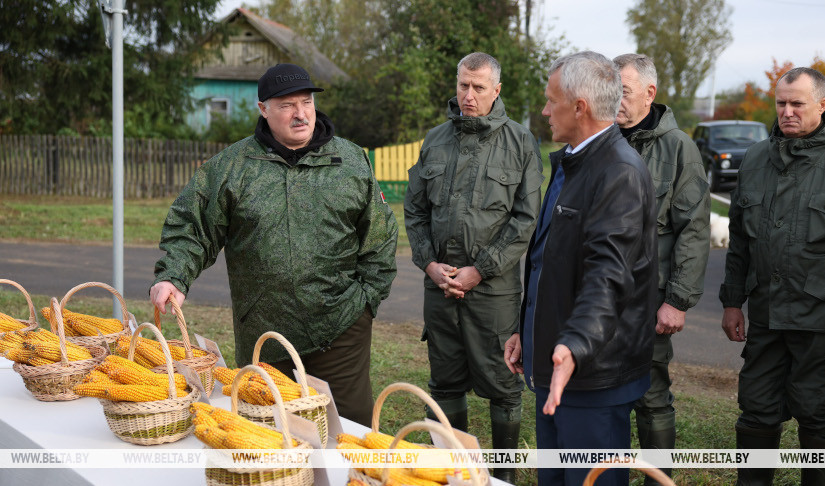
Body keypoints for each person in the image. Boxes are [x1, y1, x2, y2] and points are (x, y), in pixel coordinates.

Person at [150, 63, 398, 427]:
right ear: (263, 109)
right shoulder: (232, 167)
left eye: (306, 102)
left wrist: (364, 302)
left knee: (346, 429)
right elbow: (193, 227)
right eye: (286, 105)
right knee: (268, 429)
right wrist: (174, 275)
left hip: (340, 327)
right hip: (264, 333)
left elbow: (379, 234)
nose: (301, 114)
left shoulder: (349, 161)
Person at [504, 51, 658, 486]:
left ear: (579, 107)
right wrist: (529, 329)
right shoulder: (572, 161)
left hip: (592, 378)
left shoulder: (619, 172)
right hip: (558, 367)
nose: (543, 110)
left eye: (551, 100)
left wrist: (573, 344)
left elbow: (608, 277)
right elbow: (548, 262)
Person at [720, 67, 825, 485]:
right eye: (781, 103)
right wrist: (733, 301)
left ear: (822, 105)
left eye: (797, 104)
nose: (786, 112)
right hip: (766, 317)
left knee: (818, 413)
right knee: (756, 411)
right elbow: (739, 241)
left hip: (823, 321)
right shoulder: (755, 158)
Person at [404, 51, 544, 482]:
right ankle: (455, 473)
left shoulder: (521, 142)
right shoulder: (435, 139)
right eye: (463, 85)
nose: (468, 95)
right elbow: (414, 211)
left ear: (496, 91)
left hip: (494, 292)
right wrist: (429, 263)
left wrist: (479, 269)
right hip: (440, 288)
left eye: (478, 87)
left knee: (504, 388)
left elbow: (527, 220)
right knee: (444, 384)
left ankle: (502, 479)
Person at [613, 53, 711, 484]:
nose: (613, 100)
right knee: (603, 397)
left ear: (649, 94)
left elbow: (693, 229)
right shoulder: (601, 140)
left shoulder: (678, 149)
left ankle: (658, 480)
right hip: (598, 298)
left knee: (650, 395)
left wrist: (677, 300)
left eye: (624, 91)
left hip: (648, 299)